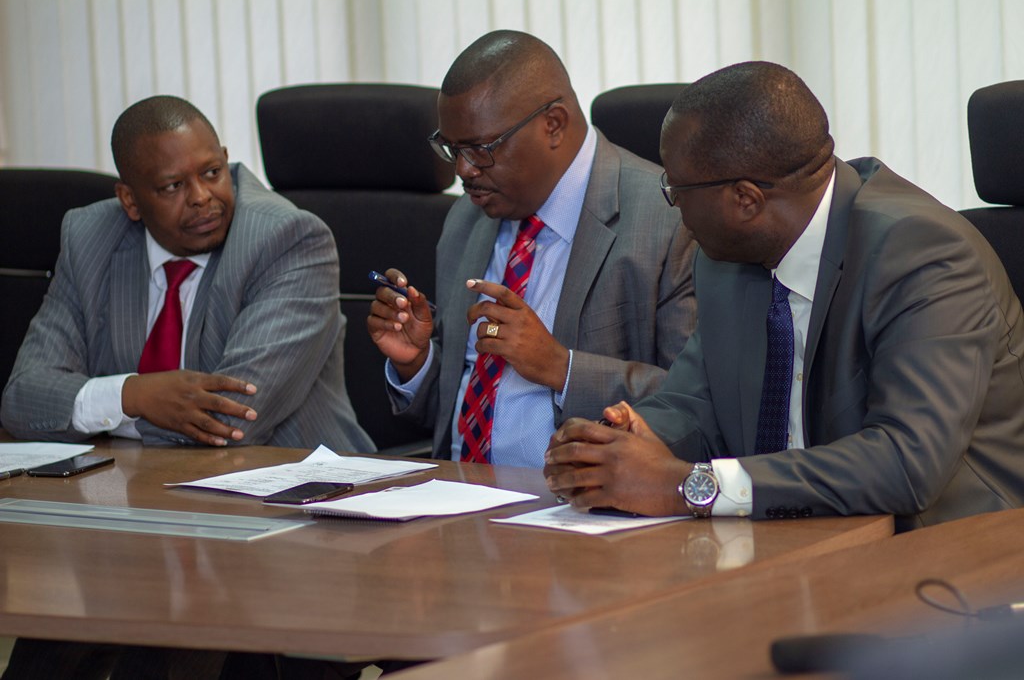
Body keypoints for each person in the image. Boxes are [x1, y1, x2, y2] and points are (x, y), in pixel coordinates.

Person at [544, 61, 1024, 532]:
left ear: (746, 200)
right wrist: (622, 444)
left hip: (949, 553)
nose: (673, 204)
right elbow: (693, 402)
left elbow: (906, 462)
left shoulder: (921, 253)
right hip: (793, 537)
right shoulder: (726, 257)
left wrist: (689, 485)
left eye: (676, 188)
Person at [368, 30, 696, 466]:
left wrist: (561, 366)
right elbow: (455, 409)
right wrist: (418, 362)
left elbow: (695, 405)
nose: (463, 170)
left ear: (554, 125)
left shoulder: (671, 221)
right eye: (452, 148)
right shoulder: (466, 219)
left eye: (481, 149)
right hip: (457, 504)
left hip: (582, 514)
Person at [1, 95, 373, 454]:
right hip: (141, 492)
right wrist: (133, 395)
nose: (201, 197)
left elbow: (231, 419)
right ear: (130, 200)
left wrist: (100, 407)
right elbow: (24, 399)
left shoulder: (287, 239)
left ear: (226, 161)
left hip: (302, 493)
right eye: (173, 186)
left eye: (212, 173)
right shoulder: (90, 239)